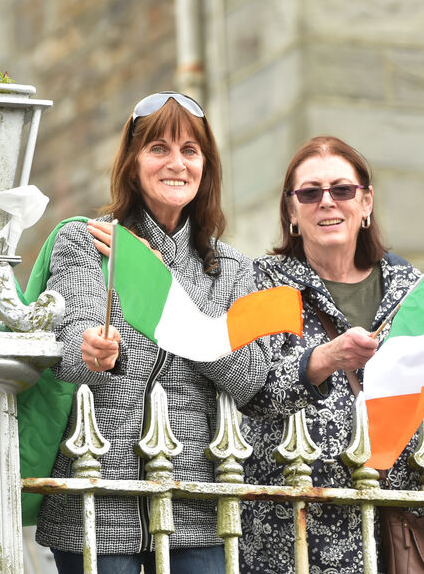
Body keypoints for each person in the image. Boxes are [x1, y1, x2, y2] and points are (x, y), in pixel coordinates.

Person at [35, 92, 272, 573]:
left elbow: (249, 375)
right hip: (96, 497)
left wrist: (160, 279)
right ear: (133, 162)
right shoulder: (84, 240)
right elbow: (67, 346)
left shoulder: (233, 269)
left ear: (205, 166)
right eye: (158, 148)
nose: (176, 163)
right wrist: (93, 352)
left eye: (190, 150)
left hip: (197, 506)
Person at [238, 135, 424, 573]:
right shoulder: (264, 283)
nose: (327, 203)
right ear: (292, 211)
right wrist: (324, 359)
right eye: (310, 193)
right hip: (292, 538)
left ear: (366, 201)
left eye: (342, 189)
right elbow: (250, 389)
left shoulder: (410, 286)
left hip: (396, 535)